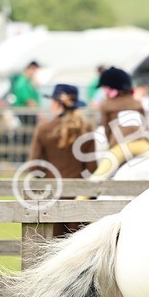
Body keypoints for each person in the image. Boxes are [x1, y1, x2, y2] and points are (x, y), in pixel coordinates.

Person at [27, 84, 95, 237]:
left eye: (52, 101)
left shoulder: (44, 129)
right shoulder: (87, 128)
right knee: (78, 244)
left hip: (52, 195)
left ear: (57, 103)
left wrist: (47, 180)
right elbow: (92, 167)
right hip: (80, 195)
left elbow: (34, 167)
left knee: (53, 243)